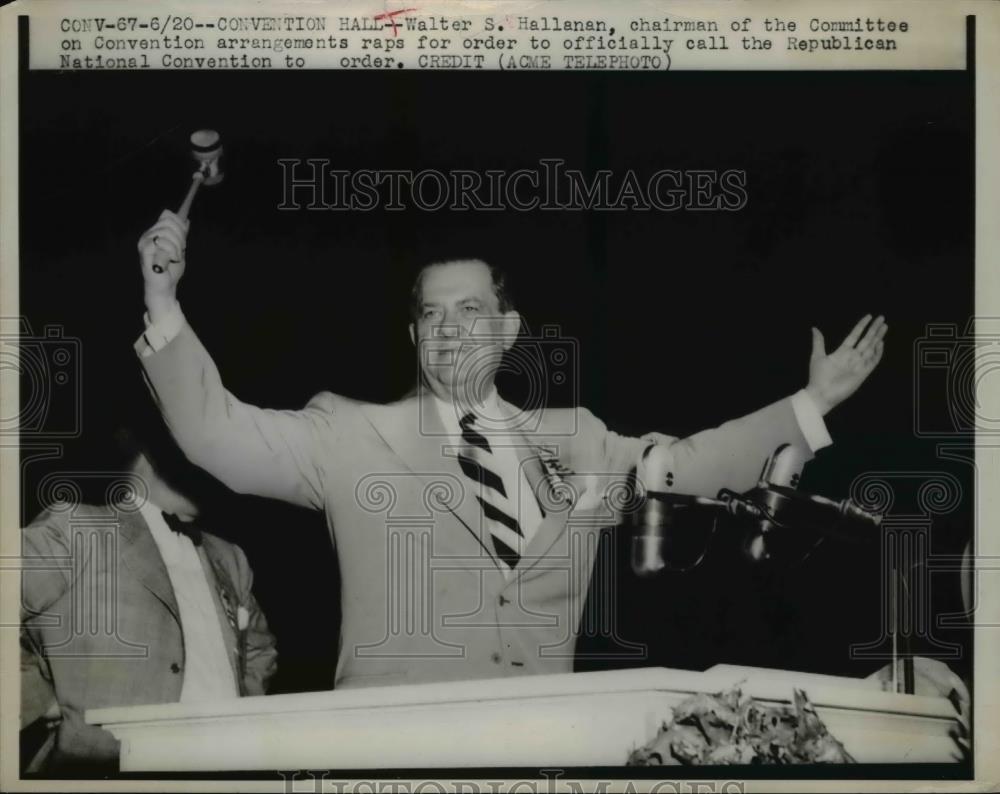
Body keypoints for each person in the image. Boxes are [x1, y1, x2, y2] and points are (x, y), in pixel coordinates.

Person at [132, 209, 886, 689]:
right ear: (414, 336)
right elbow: (216, 433)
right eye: (433, 315)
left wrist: (811, 406)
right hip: (392, 757)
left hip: (538, 750)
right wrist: (163, 303)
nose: (451, 329)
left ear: (508, 329)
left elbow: (685, 467)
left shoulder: (580, 440)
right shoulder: (347, 434)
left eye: (471, 309)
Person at [20, 424, 277, 773]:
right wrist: (42, 699)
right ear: (150, 452)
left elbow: (260, 651)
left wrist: (238, 713)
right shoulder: (79, 528)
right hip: (109, 772)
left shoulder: (231, 558)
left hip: (223, 769)